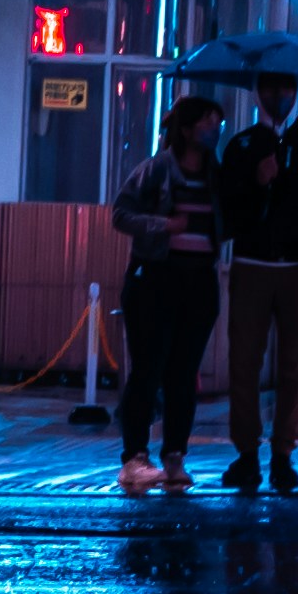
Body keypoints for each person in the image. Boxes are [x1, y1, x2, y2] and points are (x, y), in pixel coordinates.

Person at [213, 84, 298, 490]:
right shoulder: (243, 146)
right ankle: (247, 453)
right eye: (272, 87)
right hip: (253, 261)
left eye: (286, 86)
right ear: (259, 94)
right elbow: (228, 207)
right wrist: (257, 181)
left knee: (294, 363)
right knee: (244, 361)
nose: (278, 96)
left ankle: (283, 453)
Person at [107, 93, 231, 491]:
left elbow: (229, 221)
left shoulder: (217, 175)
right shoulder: (157, 170)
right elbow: (120, 215)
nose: (214, 130)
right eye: (208, 122)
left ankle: (174, 456)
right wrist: (163, 225)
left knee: (183, 373)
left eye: (219, 123)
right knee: (147, 368)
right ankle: (134, 458)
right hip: (155, 278)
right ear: (187, 128)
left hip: (199, 281)